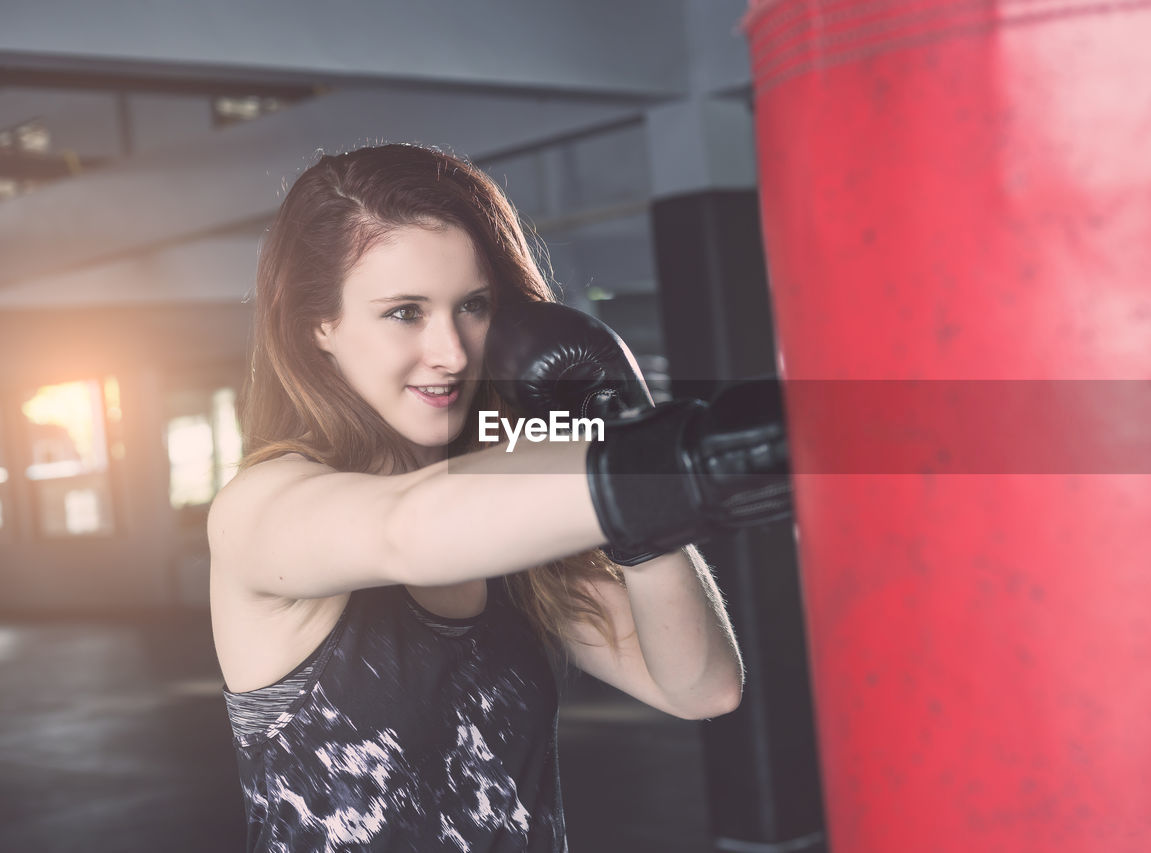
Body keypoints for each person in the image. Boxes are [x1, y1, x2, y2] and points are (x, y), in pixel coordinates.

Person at [208, 142, 790, 852]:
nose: (451, 351)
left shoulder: (513, 518)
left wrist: (642, 495)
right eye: (404, 313)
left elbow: (703, 688)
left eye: (473, 307)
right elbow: (407, 531)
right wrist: (665, 457)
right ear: (316, 326)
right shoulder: (259, 508)